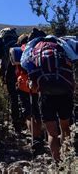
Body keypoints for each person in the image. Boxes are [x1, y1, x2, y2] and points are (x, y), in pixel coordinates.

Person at [21, 30, 76, 161]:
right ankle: (67, 160)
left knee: (52, 133)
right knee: (65, 128)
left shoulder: (34, 52)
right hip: (64, 92)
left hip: (45, 95)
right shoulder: (62, 46)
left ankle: (57, 163)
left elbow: (33, 85)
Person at [12, 33, 44, 156]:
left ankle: (35, 139)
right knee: (37, 111)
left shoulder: (20, 51)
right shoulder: (39, 49)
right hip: (39, 85)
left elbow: (16, 70)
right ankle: (40, 136)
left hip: (24, 86)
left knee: (29, 113)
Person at [0, 28, 22, 133]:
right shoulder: (17, 43)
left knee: (13, 98)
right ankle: (24, 121)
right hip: (20, 74)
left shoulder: (1, 42)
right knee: (22, 97)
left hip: (9, 74)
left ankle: (16, 124)